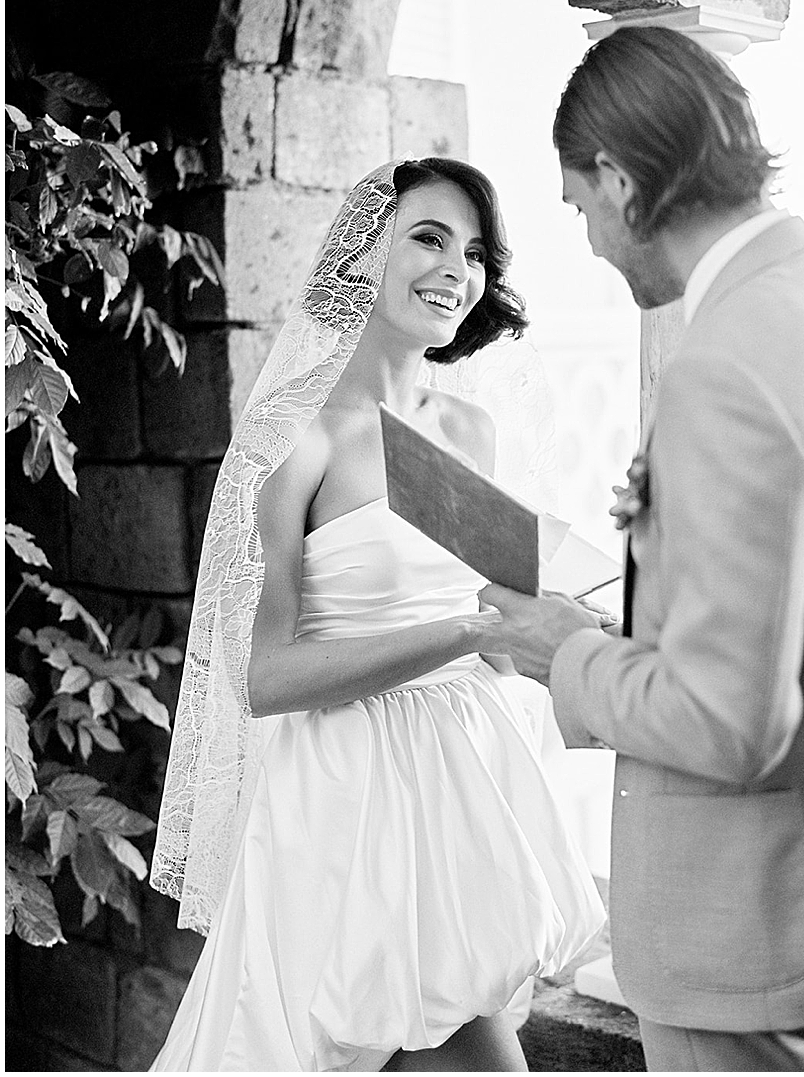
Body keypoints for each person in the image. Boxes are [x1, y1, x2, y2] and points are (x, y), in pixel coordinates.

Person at [480, 26, 804, 1072]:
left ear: (622, 179)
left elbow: (730, 721)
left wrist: (564, 649)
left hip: (749, 914)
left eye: (578, 207)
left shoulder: (723, 362)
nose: (586, 240)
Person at [148, 155, 605, 1073]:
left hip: (460, 787)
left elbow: (514, 633)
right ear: (363, 252)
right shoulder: (299, 436)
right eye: (428, 238)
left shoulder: (469, 433)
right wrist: (468, 633)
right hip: (346, 796)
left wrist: (603, 664)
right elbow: (265, 677)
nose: (456, 270)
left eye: (475, 253)